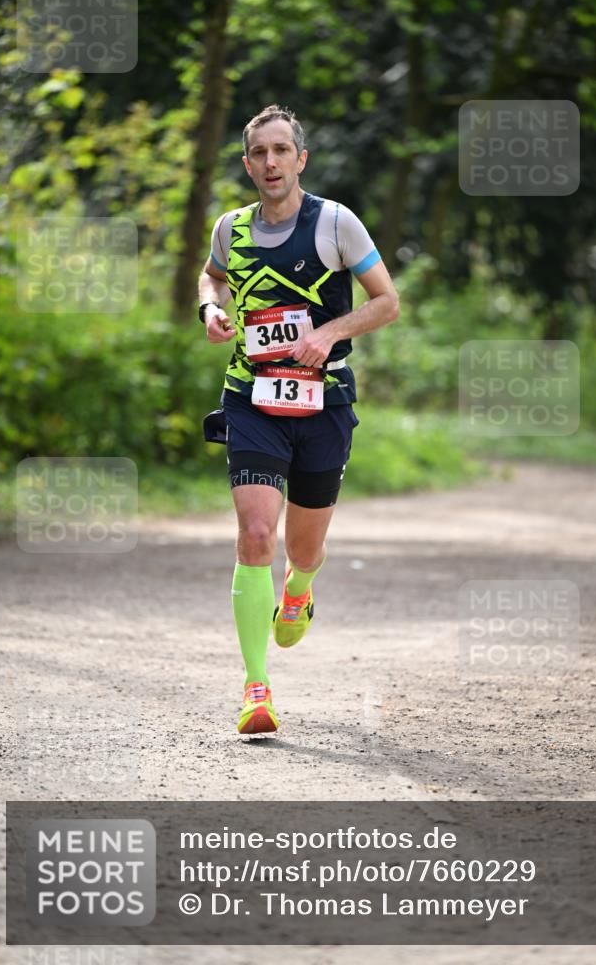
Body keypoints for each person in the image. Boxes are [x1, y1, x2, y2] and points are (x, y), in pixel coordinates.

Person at [198, 104, 399, 735]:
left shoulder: (336, 223)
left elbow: (387, 302)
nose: (270, 162)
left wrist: (329, 335)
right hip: (251, 398)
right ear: (247, 164)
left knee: (302, 548)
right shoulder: (230, 228)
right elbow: (212, 278)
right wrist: (210, 310)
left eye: (281, 150)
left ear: (300, 159)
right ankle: (256, 688)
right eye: (259, 153)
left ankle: (301, 588)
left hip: (324, 402)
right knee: (257, 536)